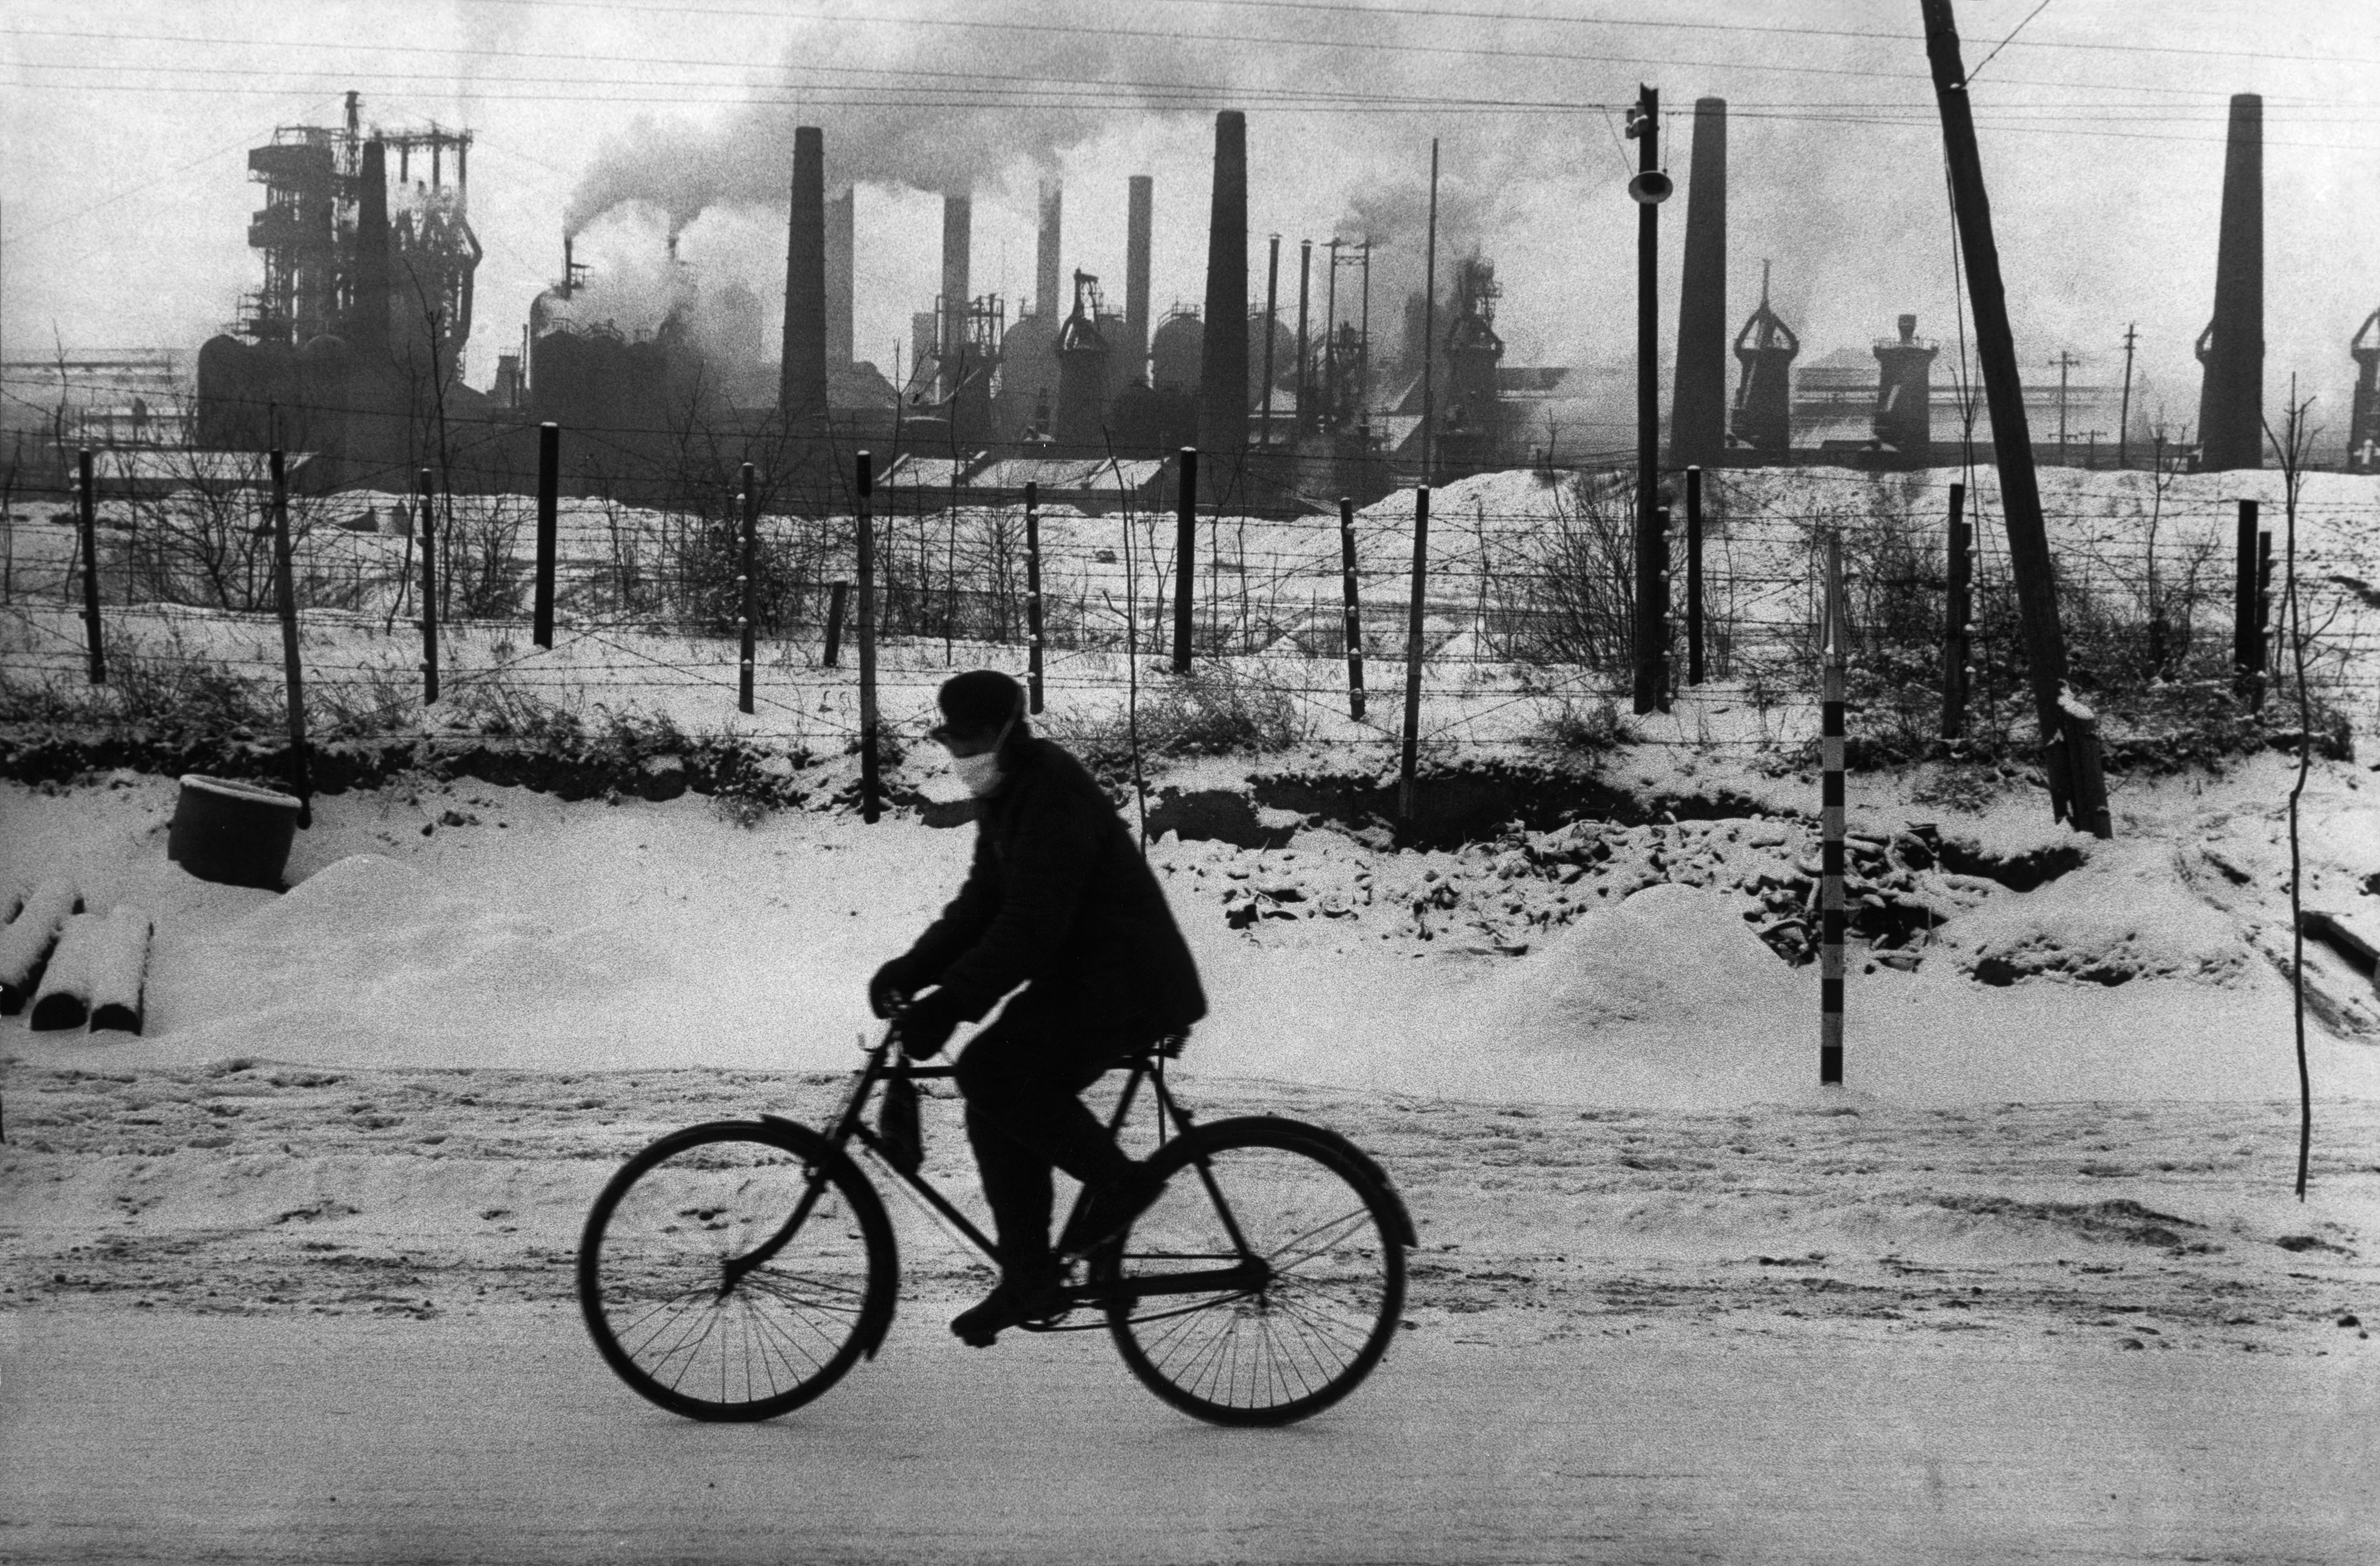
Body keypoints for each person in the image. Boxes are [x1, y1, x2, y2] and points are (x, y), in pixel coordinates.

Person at [870, 670, 1207, 1347]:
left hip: (1128, 980)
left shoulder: (1049, 790)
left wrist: (951, 1002)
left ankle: (1120, 1184)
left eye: (971, 737)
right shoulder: (1009, 790)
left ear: (1006, 731)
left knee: (993, 1073)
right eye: (952, 739)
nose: (962, 752)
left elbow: (1032, 923)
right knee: (993, 1092)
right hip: (1089, 975)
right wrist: (914, 968)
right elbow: (983, 903)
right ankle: (1028, 1274)